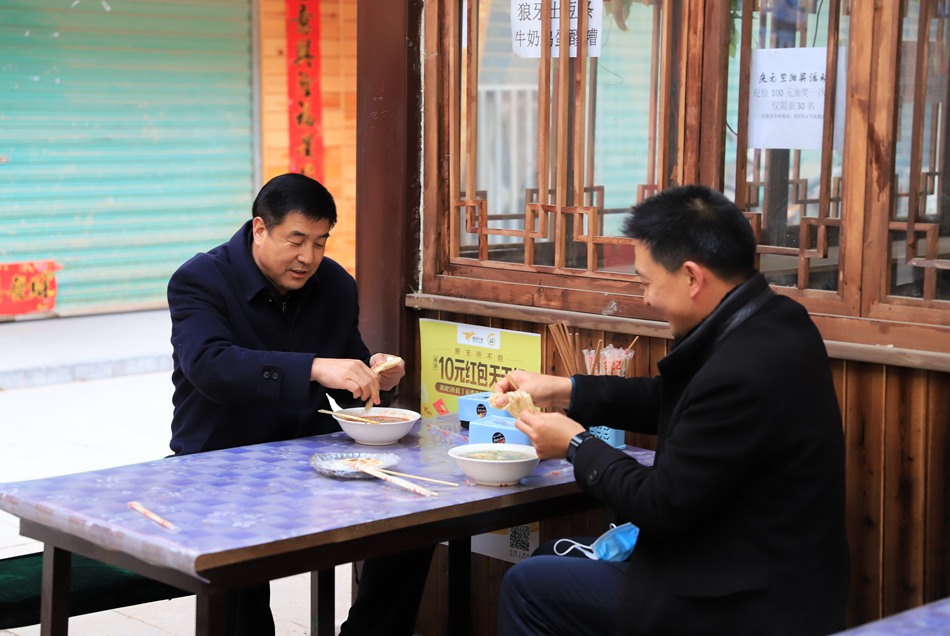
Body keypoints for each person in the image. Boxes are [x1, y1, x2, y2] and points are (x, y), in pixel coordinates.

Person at [493, 185, 849, 636]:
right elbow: (677, 401)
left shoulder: (744, 368)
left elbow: (659, 504)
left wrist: (575, 445)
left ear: (692, 277)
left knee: (527, 586)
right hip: (741, 565)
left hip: (744, 604)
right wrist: (566, 389)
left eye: (646, 282)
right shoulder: (775, 321)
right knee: (548, 559)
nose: (646, 298)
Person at [167, 172, 433, 636]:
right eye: (296, 240)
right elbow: (209, 365)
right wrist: (313, 367)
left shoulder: (335, 284)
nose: (308, 257)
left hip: (307, 458)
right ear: (260, 229)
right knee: (239, 579)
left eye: (320, 242)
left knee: (415, 522)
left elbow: (346, 375)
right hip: (219, 460)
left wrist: (375, 377)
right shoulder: (200, 280)